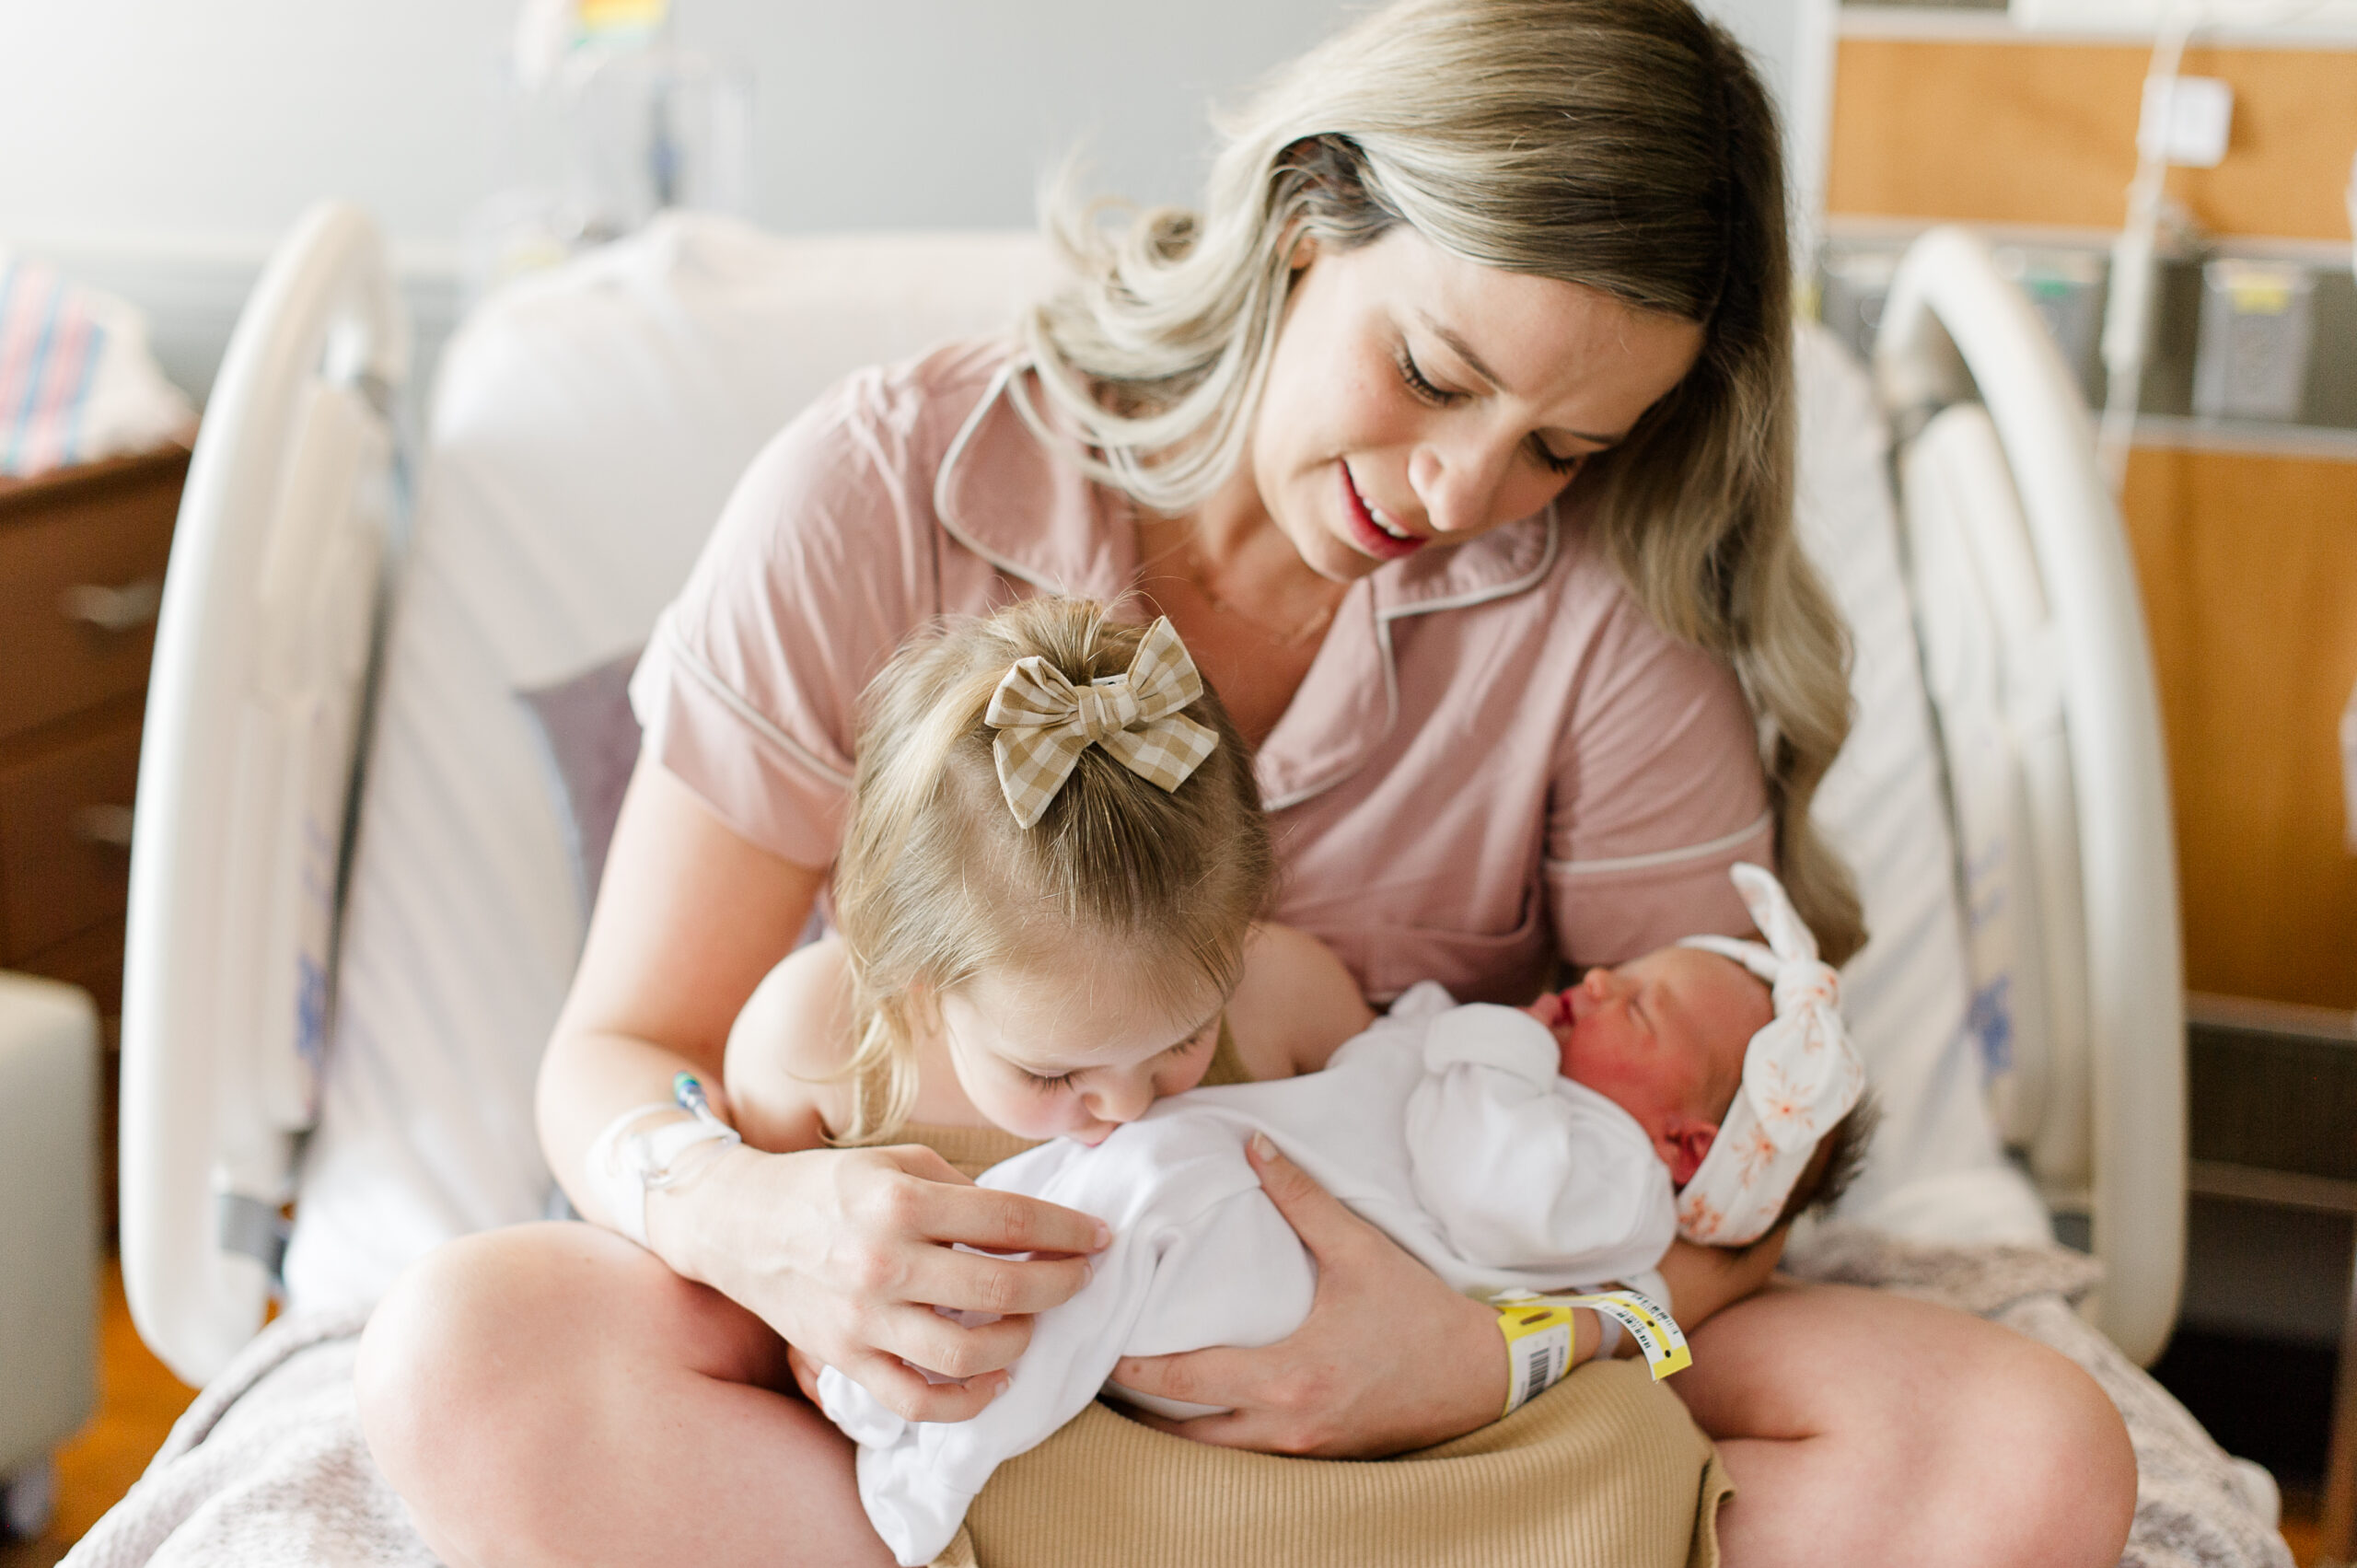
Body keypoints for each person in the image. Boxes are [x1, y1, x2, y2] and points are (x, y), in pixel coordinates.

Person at [354, 0, 2138, 1563]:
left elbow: (1717, 1178)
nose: (1453, 488)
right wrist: (758, 1217)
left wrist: (1479, 1345)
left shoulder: (1606, 613)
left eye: (1559, 446)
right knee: (470, 1353)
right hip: (978, 1348)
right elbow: (618, 1047)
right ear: (1305, 217)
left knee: (2018, 1453)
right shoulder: (890, 489)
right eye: (1431, 370)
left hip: (1438, 1387)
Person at [762, 820, 1875, 1567]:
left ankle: (935, 1448)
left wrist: (1488, 1045)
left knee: (1103, 1249)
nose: (1590, 982)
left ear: (1685, 1140)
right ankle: (912, 1354)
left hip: (1291, 1265)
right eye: (1612, 972)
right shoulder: (1529, 1077)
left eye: (1636, 1009)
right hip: (1245, 1176)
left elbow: (1479, 1175)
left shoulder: (1611, 1180)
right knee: (1057, 1200)